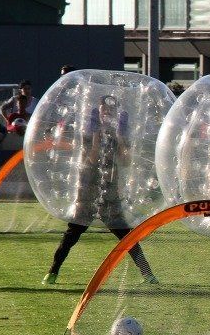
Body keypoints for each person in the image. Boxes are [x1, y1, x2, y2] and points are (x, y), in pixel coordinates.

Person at [42, 95, 157, 285]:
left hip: (109, 193)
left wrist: (119, 138)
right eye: (105, 109)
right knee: (72, 235)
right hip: (88, 193)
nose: (108, 112)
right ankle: (53, 271)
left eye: (112, 110)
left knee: (126, 236)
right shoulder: (87, 133)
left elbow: (125, 161)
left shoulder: (117, 134)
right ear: (99, 111)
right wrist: (96, 134)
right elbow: (92, 159)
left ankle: (147, 274)